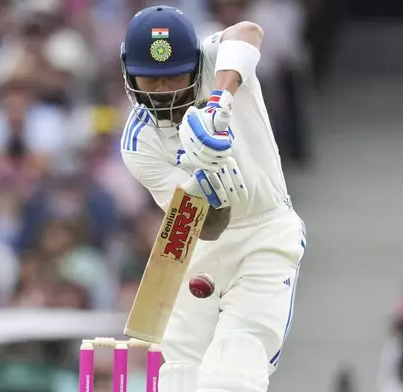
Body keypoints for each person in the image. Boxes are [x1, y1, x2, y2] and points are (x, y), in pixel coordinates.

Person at [118, 5, 306, 392]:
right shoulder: (138, 143)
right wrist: (207, 176)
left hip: (265, 233)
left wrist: (219, 100)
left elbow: (249, 30)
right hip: (197, 242)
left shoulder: (216, 62)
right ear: (129, 74)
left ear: (196, 64)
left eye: (174, 77)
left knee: (233, 370)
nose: (164, 92)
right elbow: (208, 224)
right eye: (150, 81)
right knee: (180, 375)